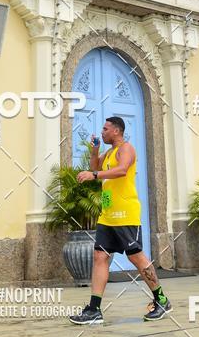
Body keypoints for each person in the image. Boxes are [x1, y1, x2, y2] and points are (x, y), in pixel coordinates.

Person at [69, 116, 171, 324]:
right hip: (107, 214)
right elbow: (95, 165)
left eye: (105, 129)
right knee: (100, 256)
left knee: (136, 257)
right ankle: (94, 309)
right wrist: (95, 152)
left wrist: (94, 174)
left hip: (125, 213)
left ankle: (161, 299)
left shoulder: (126, 149)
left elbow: (121, 170)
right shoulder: (109, 152)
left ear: (116, 131)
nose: (103, 131)